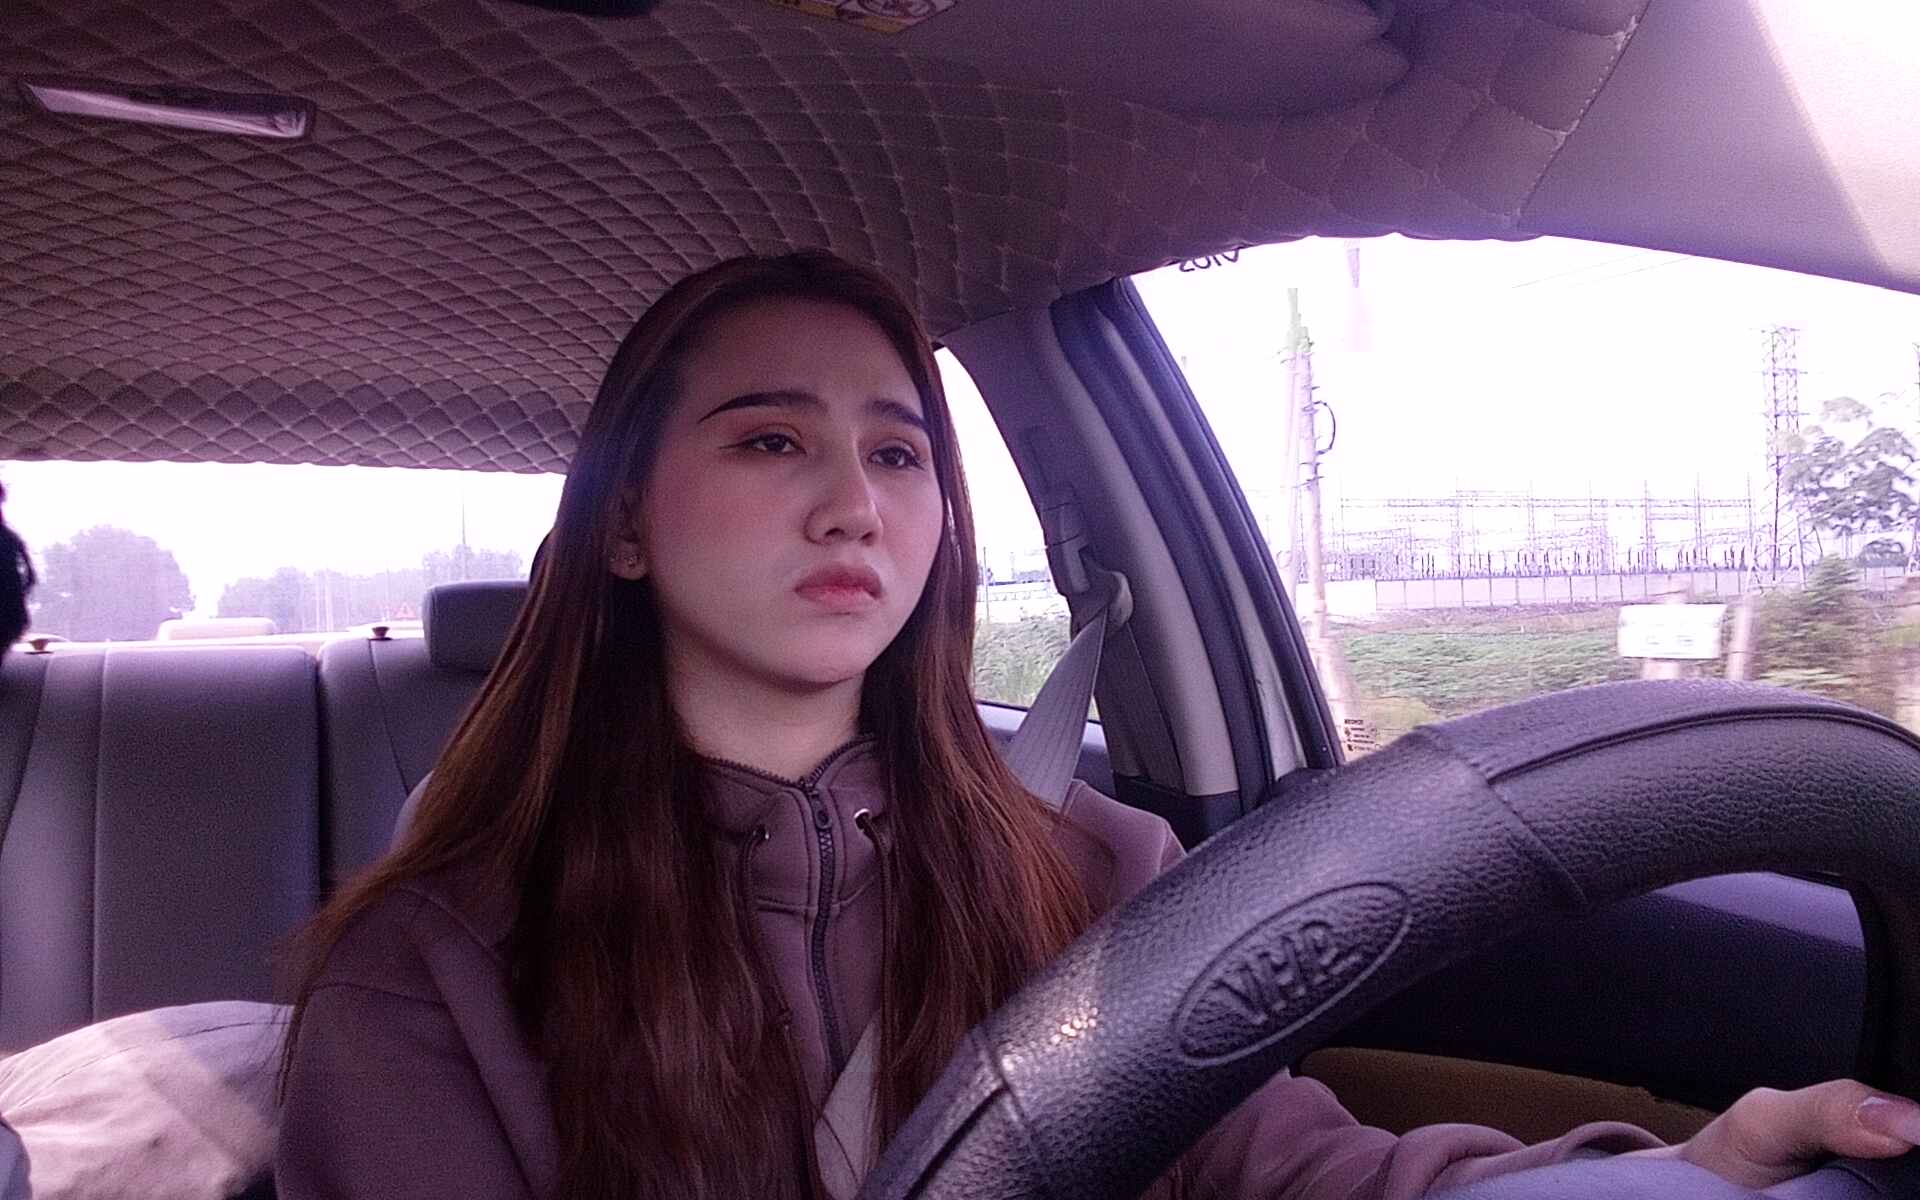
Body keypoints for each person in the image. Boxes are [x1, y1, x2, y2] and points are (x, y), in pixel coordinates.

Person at [274, 251, 1920, 1199]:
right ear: (626, 522)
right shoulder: (430, 970)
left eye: (899, 453)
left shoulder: (1088, 864)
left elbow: (1291, 1177)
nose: (855, 503)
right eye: (771, 442)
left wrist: (1680, 1173)